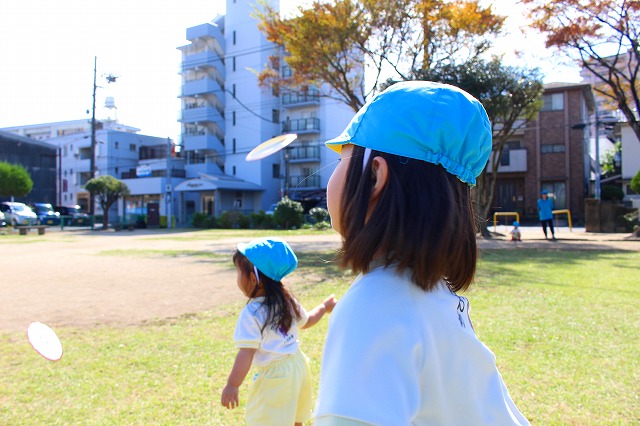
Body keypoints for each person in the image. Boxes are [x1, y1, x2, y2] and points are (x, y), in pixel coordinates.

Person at [315, 81, 530, 425]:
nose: (332, 177)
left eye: (342, 159)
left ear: (374, 176)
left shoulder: (374, 306)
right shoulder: (437, 295)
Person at [220, 237, 337, 426]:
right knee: (295, 418)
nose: (237, 278)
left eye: (238, 272)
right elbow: (307, 321)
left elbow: (246, 353)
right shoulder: (287, 300)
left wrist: (232, 385)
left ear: (253, 279)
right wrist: (324, 307)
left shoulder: (252, 312)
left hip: (275, 378)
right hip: (298, 366)